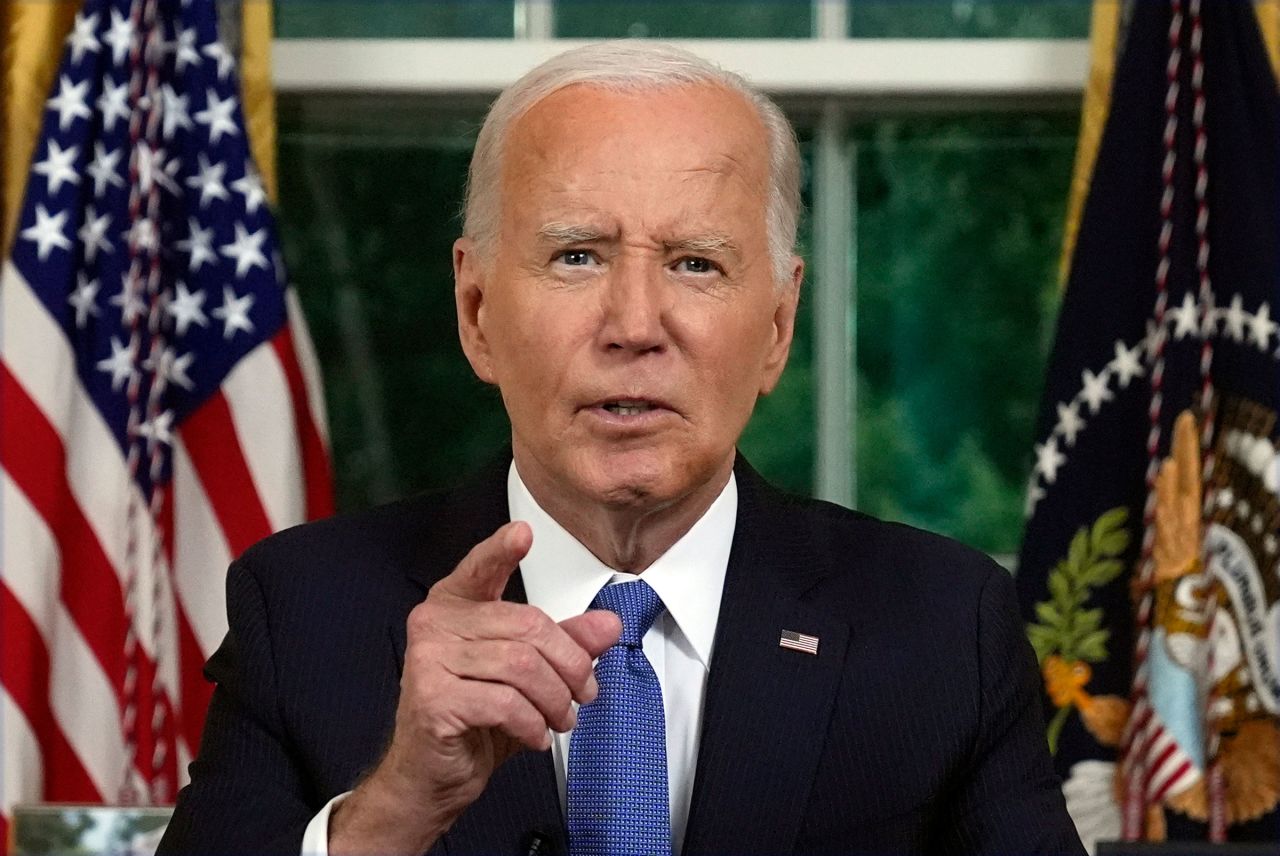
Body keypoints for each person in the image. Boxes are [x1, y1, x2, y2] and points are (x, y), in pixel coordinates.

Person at [158, 42, 1085, 856]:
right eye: (577, 256)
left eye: (695, 263)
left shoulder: (940, 626)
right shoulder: (306, 611)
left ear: (778, 325)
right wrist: (394, 812)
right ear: (476, 312)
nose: (635, 325)